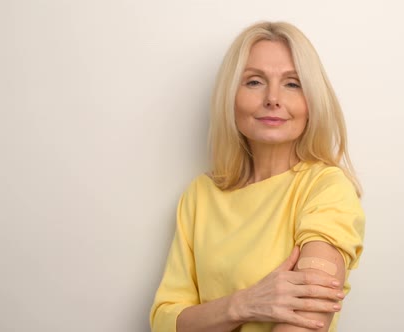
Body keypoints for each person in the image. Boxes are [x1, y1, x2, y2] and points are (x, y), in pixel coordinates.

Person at [150, 21, 365, 332]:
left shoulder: (326, 188)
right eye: (254, 82)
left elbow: (307, 318)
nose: (273, 98)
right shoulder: (200, 194)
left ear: (312, 100)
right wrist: (243, 304)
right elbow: (165, 321)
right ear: (231, 96)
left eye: (293, 83)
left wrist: (209, 316)